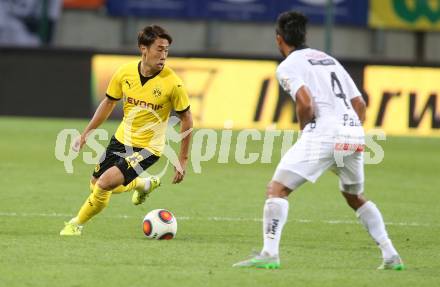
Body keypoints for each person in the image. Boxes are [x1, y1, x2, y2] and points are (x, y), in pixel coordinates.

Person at [233, 11, 404, 270]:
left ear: (279, 40)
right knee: (354, 195)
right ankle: (390, 254)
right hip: (353, 134)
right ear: (305, 35)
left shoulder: (289, 65)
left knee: (277, 189)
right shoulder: (329, 60)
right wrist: (350, 131)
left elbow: (305, 102)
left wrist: (307, 131)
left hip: (324, 134)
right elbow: (360, 103)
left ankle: (269, 254)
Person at [60, 25, 193, 236]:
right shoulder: (124, 72)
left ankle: (75, 224)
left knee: (104, 184)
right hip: (121, 140)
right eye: (159, 49)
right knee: (95, 186)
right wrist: (86, 134)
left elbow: (187, 118)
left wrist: (183, 159)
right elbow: (108, 103)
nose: (163, 55)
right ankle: (142, 185)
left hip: (149, 148)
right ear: (144, 48)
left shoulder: (173, 84)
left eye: (166, 50)